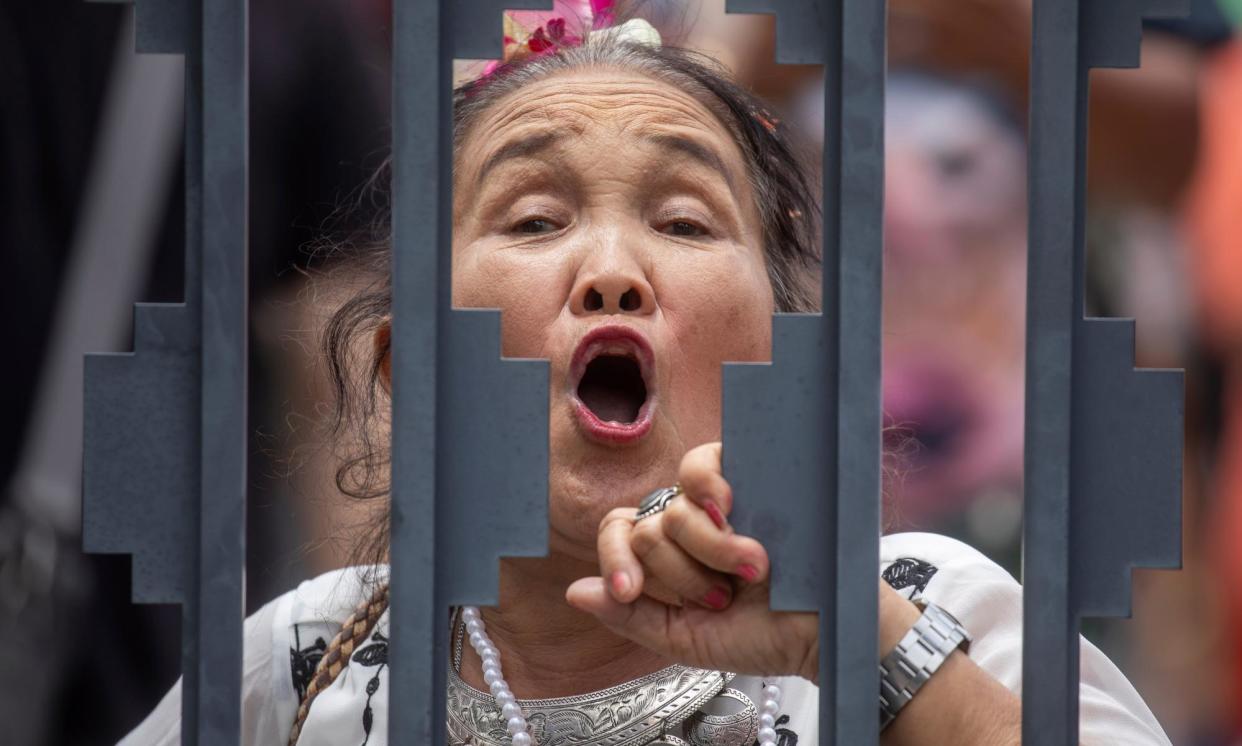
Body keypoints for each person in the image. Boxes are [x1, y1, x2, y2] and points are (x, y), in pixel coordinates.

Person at [120, 8, 1171, 746]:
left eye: (683, 220)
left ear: (791, 359)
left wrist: (859, 644)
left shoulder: (945, 614)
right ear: (414, 373)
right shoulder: (294, 667)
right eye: (535, 219)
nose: (613, 272)